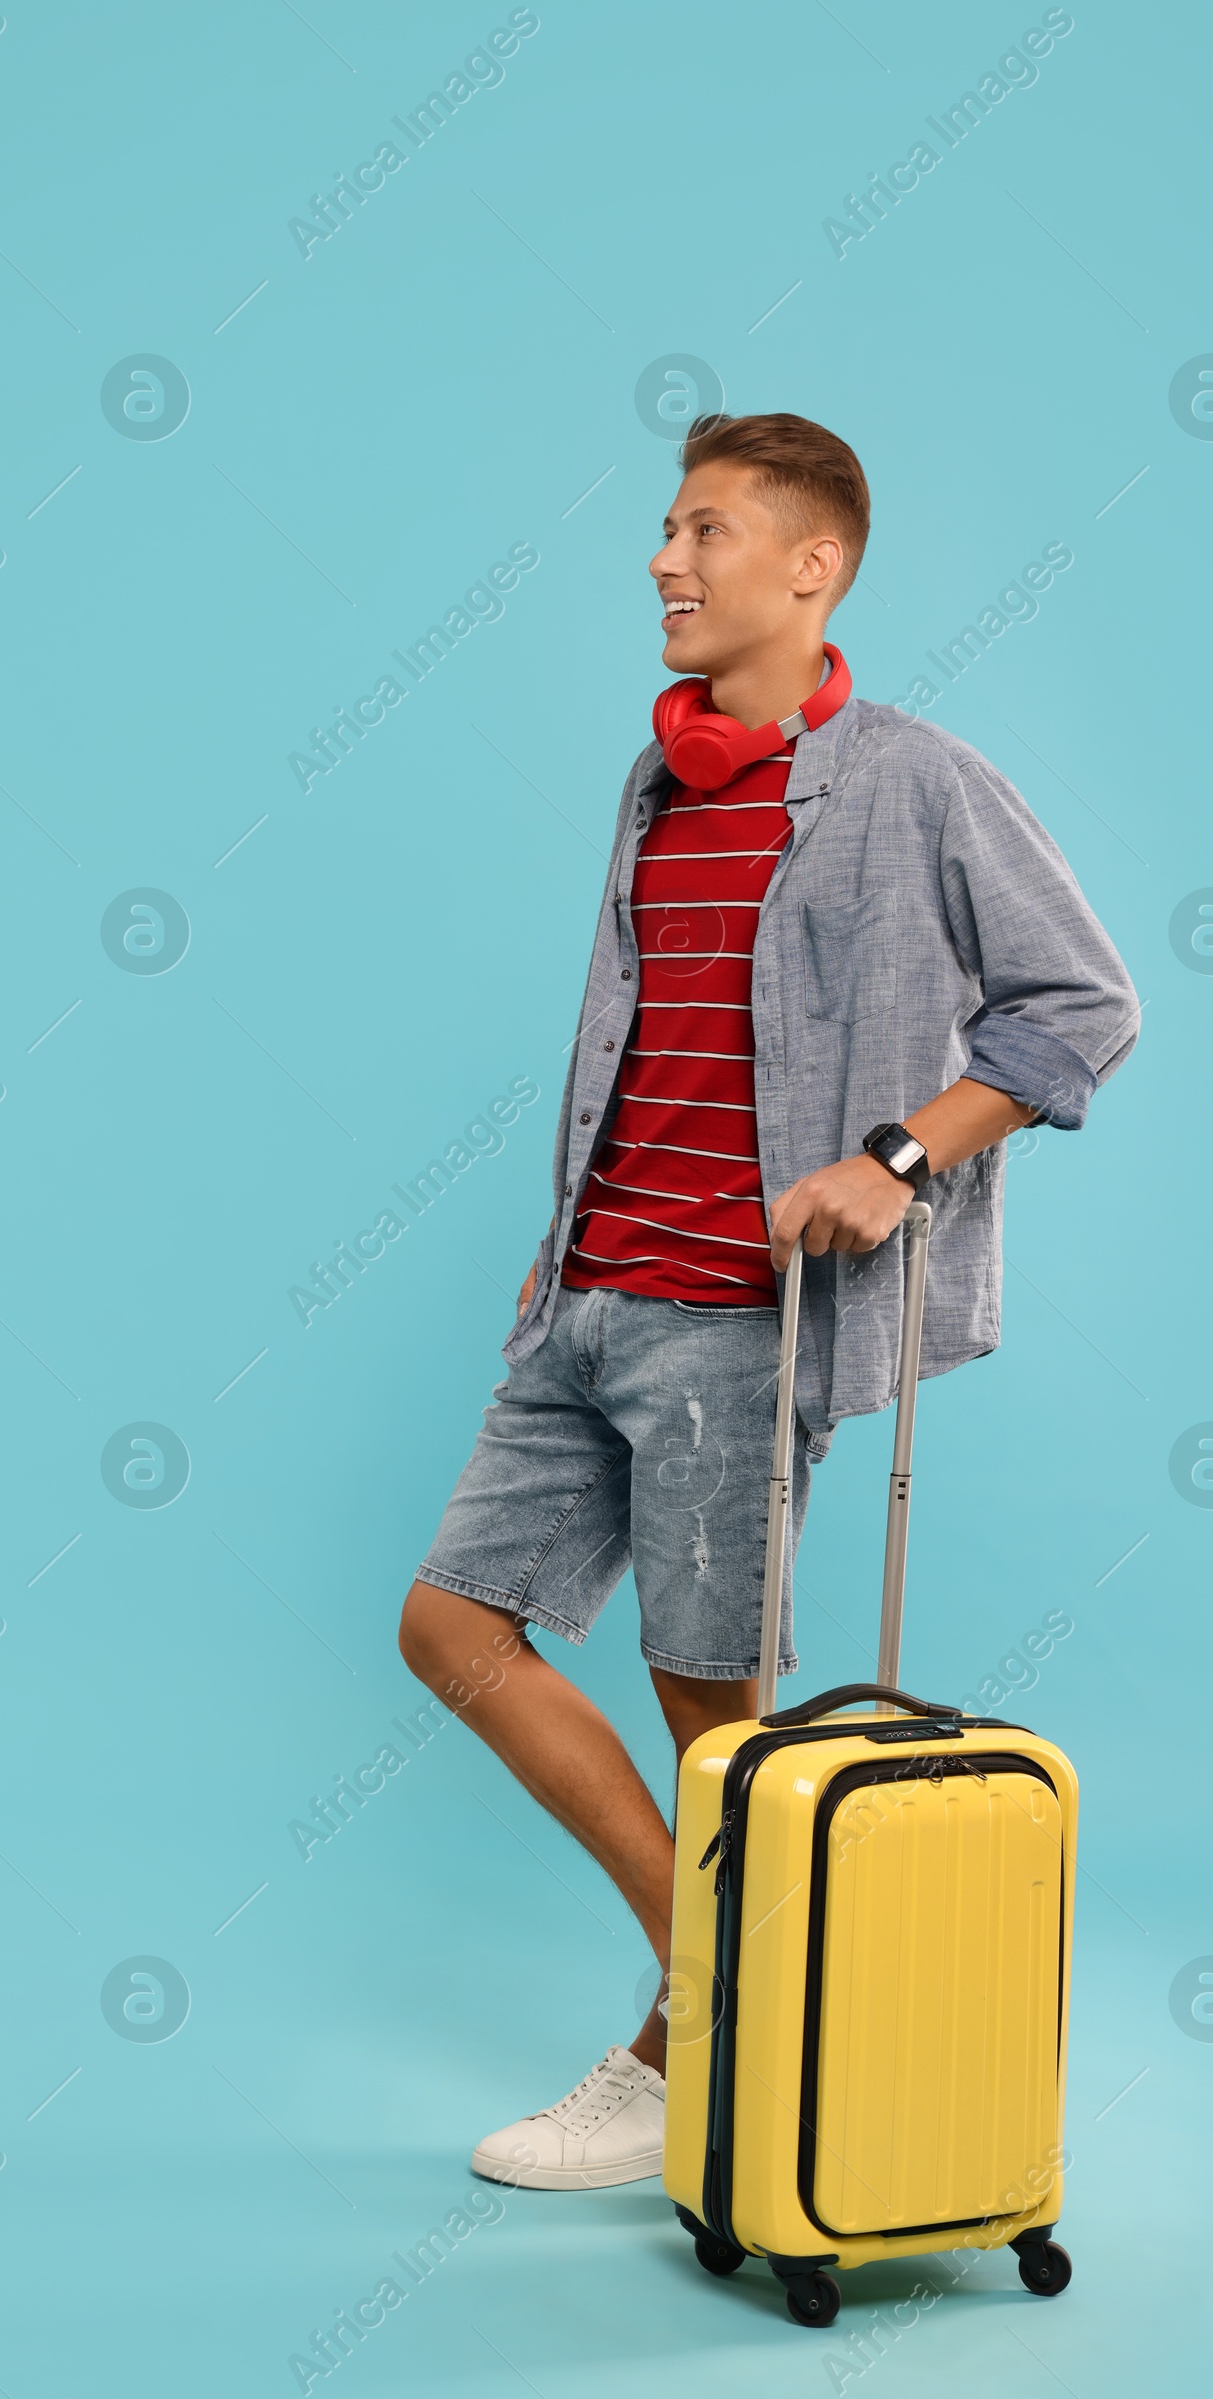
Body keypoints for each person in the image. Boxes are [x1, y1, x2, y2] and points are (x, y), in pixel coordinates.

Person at [398, 412, 1137, 2191]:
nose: (665, 560)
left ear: (814, 567)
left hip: (743, 1323)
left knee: (713, 1718)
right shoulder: (652, 782)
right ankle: (723, 1981)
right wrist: (566, 1222)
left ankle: (697, 2058)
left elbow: (1079, 1004)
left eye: (705, 529)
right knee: (453, 1630)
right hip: (585, 1296)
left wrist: (896, 1163)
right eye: (665, 528)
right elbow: (632, 1038)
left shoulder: (913, 778)